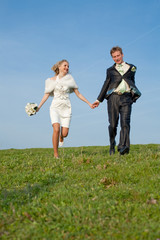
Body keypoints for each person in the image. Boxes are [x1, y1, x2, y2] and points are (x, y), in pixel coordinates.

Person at [37, 59, 94, 158]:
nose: (67, 68)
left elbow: (78, 94)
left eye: (68, 66)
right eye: (65, 66)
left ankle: (61, 137)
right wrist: (38, 107)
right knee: (56, 128)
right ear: (59, 67)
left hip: (66, 108)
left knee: (65, 133)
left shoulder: (70, 79)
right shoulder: (50, 81)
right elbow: (46, 95)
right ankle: (56, 154)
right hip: (55, 107)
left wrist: (89, 103)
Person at [93, 46, 141, 155]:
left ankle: (123, 147)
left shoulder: (132, 68)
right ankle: (112, 144)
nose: (116, 58)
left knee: (125, 123)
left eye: (118, 55)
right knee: (113, 124)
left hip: (127, 98)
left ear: (122, 55)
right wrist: (98, 100)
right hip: (113, 98)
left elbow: (132, 81)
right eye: (114, 57)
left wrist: (134, 93)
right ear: (112, 58)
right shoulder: (110, 70)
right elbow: (106, 84)